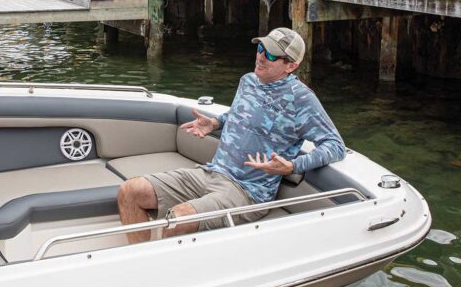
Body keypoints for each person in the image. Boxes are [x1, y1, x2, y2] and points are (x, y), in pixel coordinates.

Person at [117, 27, 345, 243]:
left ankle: (162, 276)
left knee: (178, 219)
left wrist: (293, 166)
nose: (261, 57)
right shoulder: (248, 81)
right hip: (211, 172)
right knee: (130, 191)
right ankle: (141, 262)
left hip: (247, 191)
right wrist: (216, 122)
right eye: (260, 49)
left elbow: (335, 145)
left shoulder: (302, 99)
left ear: (291, 66)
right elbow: (241, 114)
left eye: (272, 55)